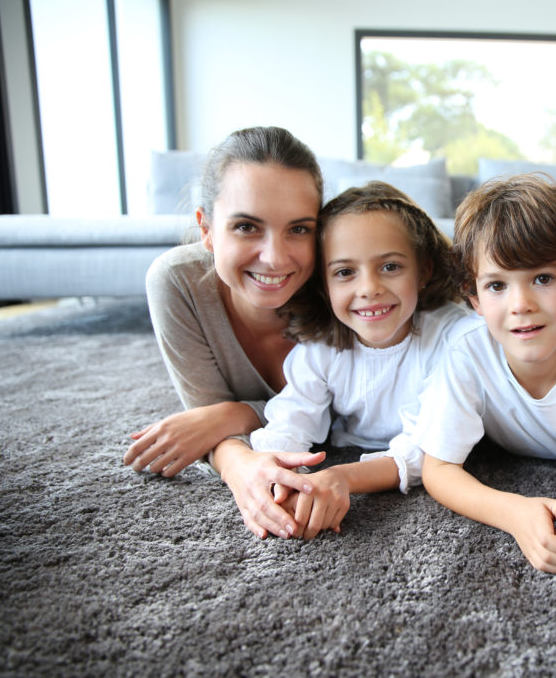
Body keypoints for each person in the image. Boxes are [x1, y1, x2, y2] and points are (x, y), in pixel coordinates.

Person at [418, 174, 556, 573]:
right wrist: (515, 513)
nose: (520, 304)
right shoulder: (466, 351)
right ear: (473, 297)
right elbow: (438, 468)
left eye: (542, 279)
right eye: (497, 286)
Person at [126, 126, 332, 540]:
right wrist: (240, 467)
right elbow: (206, 418)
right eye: (246, 227)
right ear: (206, 229)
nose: (274, 259)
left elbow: (356, 411)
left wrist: (231, 413)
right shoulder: (177, 282)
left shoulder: (342, 282)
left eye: (298, 229)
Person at [249, 181, 465, 539]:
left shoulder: (451, 339)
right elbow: (291, 421)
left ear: (423, 271)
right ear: (323, 285)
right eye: (345, 273)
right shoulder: (320, 348)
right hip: (348, 444)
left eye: (390, 267)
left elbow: (430, 447)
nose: (368, 288)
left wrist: (343, 477)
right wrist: (283, 482)